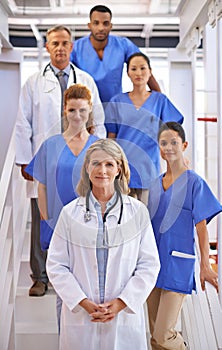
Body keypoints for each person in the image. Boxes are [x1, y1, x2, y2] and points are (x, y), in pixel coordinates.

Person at [15, 24, 106, 297]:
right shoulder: (33, 82)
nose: (60, 48)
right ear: (47, 47)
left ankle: (77, 275)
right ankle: (40, 277)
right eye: (55, 43)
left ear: (72, 46)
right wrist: (24, 160)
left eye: (65, 42)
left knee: (79, 215)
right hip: (47, 158)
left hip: (79, 160)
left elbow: (98, 119)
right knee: (42, 216)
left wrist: (98, 156)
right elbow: (23, 123)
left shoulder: (86, 80)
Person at [46, 138, 160, 349]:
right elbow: (56, 265)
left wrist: (121, 303)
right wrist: (83, 302)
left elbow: (149, 265)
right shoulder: (70, 213)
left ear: (119, 169)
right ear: (87, 168)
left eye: (109, 164)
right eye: (96, 163)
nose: (102, 170)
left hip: (122, 317)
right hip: (82, 316)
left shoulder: (137, 212)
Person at [25, 83, 98, 328]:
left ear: (90, 112)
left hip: (91, 227)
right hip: (57, 225)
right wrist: (47, 219)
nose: (77, 117)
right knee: (63, 294)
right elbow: (42, 186)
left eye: (83, 111)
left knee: (90, 290)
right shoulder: (50, 145)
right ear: (64, 111)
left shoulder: (98, 146)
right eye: (72, 110)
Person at [147, 122, 222, 350]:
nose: (168, 147)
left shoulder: (194, 182)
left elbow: (201, 228)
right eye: (163, 143)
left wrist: (206, 265)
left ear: (184, 145)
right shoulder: (154, 185)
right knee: (154, 337)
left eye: (173, 142)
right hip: (152, 265)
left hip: (178, 264)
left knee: (164, 335)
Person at [105, 52, 184, 205]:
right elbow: (111, 137)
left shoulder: (160, 100)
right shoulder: (117, 101)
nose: (138, 73)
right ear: (128, 73)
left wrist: (179, 157)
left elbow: (173, 133)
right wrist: (108, 165)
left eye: (143, 68)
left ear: (150, 71)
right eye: (133, 69)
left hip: (149, 168)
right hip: (123, 169)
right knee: (122, 217)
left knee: (148, 218)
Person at [70, 4, 161, 103]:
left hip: (115, 107)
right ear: (89, 25)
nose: (101, 28)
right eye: (96, 23)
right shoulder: (75, 48)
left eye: (105, 23)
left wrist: (160, 100)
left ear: (110, 26)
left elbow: (144, 68)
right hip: (85, 107)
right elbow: (65, 75)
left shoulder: (123, 45)